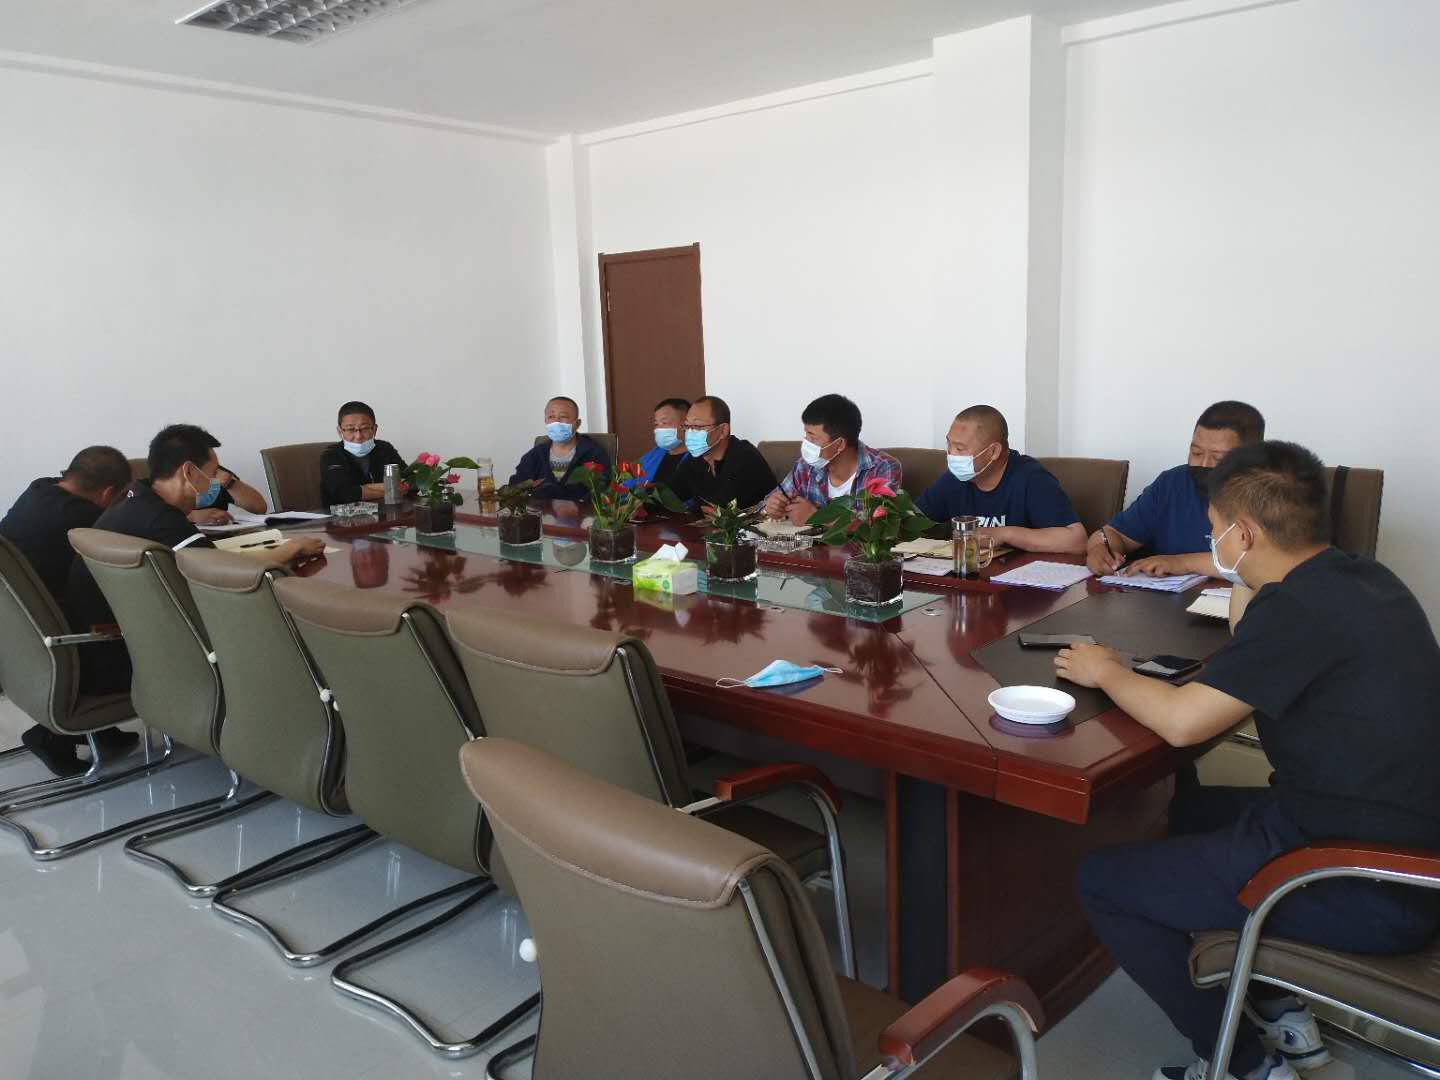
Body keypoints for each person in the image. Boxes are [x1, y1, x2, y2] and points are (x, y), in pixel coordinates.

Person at [1055, 441, 1440, 1080]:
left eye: (1215, 531)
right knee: (1185, 810)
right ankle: (1279, 1009)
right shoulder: (1362, 579)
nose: (1212, 544)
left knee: (1102, 882)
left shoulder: (1299, 608)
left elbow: (1182, 722)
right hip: (1384, 832)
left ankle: (1243, 1063)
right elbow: (1251, 637)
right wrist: (1244, 577)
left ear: (1244, 533)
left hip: (1367, 879)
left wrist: (1107, 670)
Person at [67, 424, 325, 706]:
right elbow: (221, 573)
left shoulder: (136, 495)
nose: (214, 482)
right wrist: (291, 548)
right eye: (212, 474)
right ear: (189, 471)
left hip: (111, 643)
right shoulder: (162, 519)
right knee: (269, 621)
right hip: (130, 657)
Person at [1, 446, 137, 775]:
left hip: (25, 639)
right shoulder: (81, 520)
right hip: (67, 642)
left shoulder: (39, 489)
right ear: (108, 493)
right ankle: (53, 737)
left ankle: (99, 729)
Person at [1087, 401, 1265, 578]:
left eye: (1218, 458)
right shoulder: (1172, 484)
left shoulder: (1271, 492)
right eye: (1196, 453)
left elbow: (1265, 565)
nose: (1203, 464)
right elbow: (1113, 533)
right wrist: (1098, 549)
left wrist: (1182, 563)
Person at [913, 405, 1085, 553]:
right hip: (967, 574)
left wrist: (1004, 534)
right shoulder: (953, 480)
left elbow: (1077, 541)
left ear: (993, 452)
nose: (951, 455)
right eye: (949, 444)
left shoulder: (1031, 478)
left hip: (1019, 578)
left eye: (960, 448)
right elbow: (912, 522)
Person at [764, 394, 901, 525]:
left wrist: (816, 516)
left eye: (812, 437)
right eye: (806, 434)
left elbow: (879, 526)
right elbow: (766, 504)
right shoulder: (805, 465)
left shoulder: (883, 468)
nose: (806, 442)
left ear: (839, 444)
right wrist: (772, 506)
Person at [669, 395, 777, 510]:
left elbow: (721, 509)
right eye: (687, 426)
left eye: (697, 426)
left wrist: (692, 508)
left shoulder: (745, 456)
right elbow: (670, 496)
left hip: (758, 521)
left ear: (723, 430)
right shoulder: (696, 459)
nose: (690, 433)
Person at [508, 396, 611, 501]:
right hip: (541, 511)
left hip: (580, 511)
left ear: (577, 423)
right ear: (545, 420)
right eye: (551, 417)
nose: (556, 422)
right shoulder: (535, 455)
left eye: (563, 416)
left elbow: (603, 491)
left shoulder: (593, 454)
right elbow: (515, 489)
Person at [320, 400, 407, 507]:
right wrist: (392, 488)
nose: (358, 436)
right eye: (350, 429)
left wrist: (363, 489)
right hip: (341, 516)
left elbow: (407, 481)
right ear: (340, 431)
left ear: (374, 429)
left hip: (386, 512)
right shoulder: (331, 455)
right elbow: (345, 493)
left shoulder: (384, 448)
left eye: (365, 428)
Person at [629, 397, 690, 494]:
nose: (658, 429)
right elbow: (626, 482)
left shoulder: (699, 459)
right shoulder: (655, 454)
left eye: (664, 423)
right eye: (656, 424)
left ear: (686, 425)